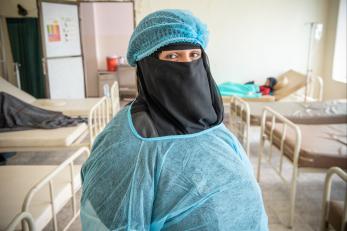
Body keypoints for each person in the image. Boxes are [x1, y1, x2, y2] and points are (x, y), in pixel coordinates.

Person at [80, 9, 268, 230]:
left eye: (194, 55)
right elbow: (108, 221)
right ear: (147, 65)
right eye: (172, 56)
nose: (187, 65)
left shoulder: (210, 120)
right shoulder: (129, 140)